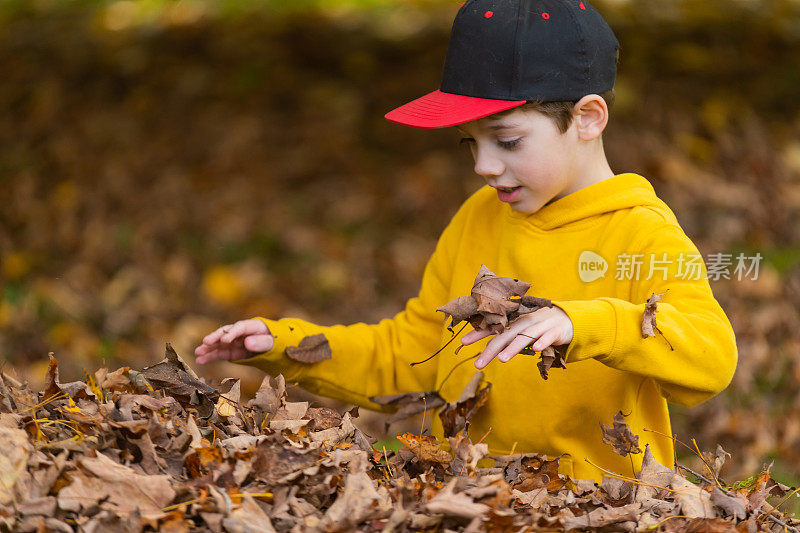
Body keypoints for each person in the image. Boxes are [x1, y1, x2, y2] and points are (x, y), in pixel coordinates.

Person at [194, 0, 737, 480]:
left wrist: (587, 323)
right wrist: (289, 345)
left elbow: (711, 357)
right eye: (470, 144)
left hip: (594, 504)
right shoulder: (481, 215)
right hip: (467, 494)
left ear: (588, 119)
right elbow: (412, 354)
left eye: (506, 139)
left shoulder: (641, 232)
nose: (483, 165)